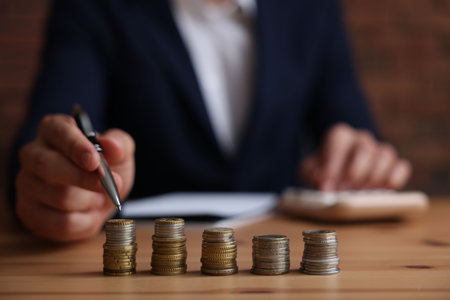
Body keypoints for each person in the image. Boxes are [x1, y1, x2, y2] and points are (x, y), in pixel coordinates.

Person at [12, 0, 411, 242]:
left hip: (281, 269)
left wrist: (363, 159)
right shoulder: (94, 7)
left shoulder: (310, 8)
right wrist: (53, 182)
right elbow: (41, 143)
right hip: (144, 269)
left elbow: (355, 132)